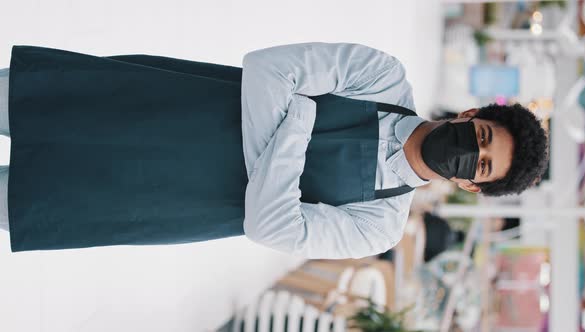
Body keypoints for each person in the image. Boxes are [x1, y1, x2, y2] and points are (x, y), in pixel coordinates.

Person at [0, 43, 548, 259]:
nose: (466, 154)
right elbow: (268, 67)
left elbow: (271, 229)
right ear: (472, 116)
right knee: (32, 101)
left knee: (29, 198)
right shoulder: (383, 77)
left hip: (162, 196)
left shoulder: (379, 225)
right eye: (479, 139)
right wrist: (269, 177)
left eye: (478, 166)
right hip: (165, 103)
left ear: (471, 186)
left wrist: (299, 117)